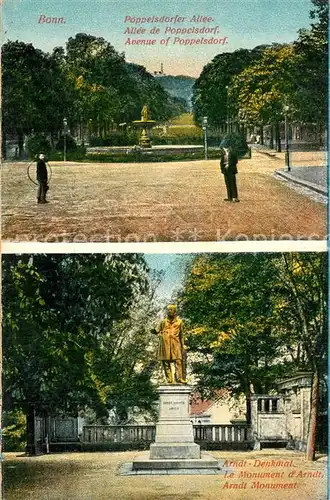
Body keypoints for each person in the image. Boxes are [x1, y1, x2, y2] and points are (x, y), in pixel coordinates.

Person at [153, 304, 186, 384]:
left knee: (178, 360)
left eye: (171, 310)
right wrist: (154, 331)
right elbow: (157, 330)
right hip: (166, 344)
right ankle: (169, 379)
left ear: (175, 311)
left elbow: (182, 334)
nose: (169, 311)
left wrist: (183, 345)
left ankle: (180, 378)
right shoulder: (163, 321)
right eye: (168, 310)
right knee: (166, 362)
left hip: (176, 343)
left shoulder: (179, 322)